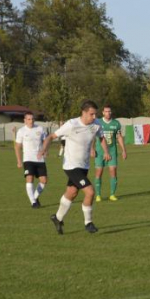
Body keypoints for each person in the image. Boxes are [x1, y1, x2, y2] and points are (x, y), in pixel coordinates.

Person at [39, 100, 110, 234]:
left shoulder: (96, 124)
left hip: (84, 165)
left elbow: (101, 138)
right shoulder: (72, 124)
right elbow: (51, 136)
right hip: (71, 166)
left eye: (95, 114)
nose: (94, 117)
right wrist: (44, 149)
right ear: (83, 113)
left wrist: (105, 151)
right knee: (90, 192)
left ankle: (57, 218)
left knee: (72, 193)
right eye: (91, 114)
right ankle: (88, 223)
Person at [92, 105, 127, 202]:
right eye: (106, 111)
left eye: (110, 111)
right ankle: (98, 195)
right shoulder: (98, 122)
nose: (108, 113)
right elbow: (93, 136)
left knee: (113, 171)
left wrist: (123, 150)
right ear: (103, 112)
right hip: (99, 152)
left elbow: (119, 137)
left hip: (112, 151)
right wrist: (92, 148)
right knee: (99, 173)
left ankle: (112, 194)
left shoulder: (116, 123)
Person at [14, 112, 48, 208]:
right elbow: (17, 147)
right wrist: (19, 161)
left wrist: (45, 150)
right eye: (28, 119)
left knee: (44, 180)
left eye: (32, 119)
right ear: (24, 120)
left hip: (40, 159)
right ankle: (33, 202)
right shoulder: (21, 131)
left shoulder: (40, 129)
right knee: (29, 178)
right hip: (28, 159)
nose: (31, 121)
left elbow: (46, 141)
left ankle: (35, 197)